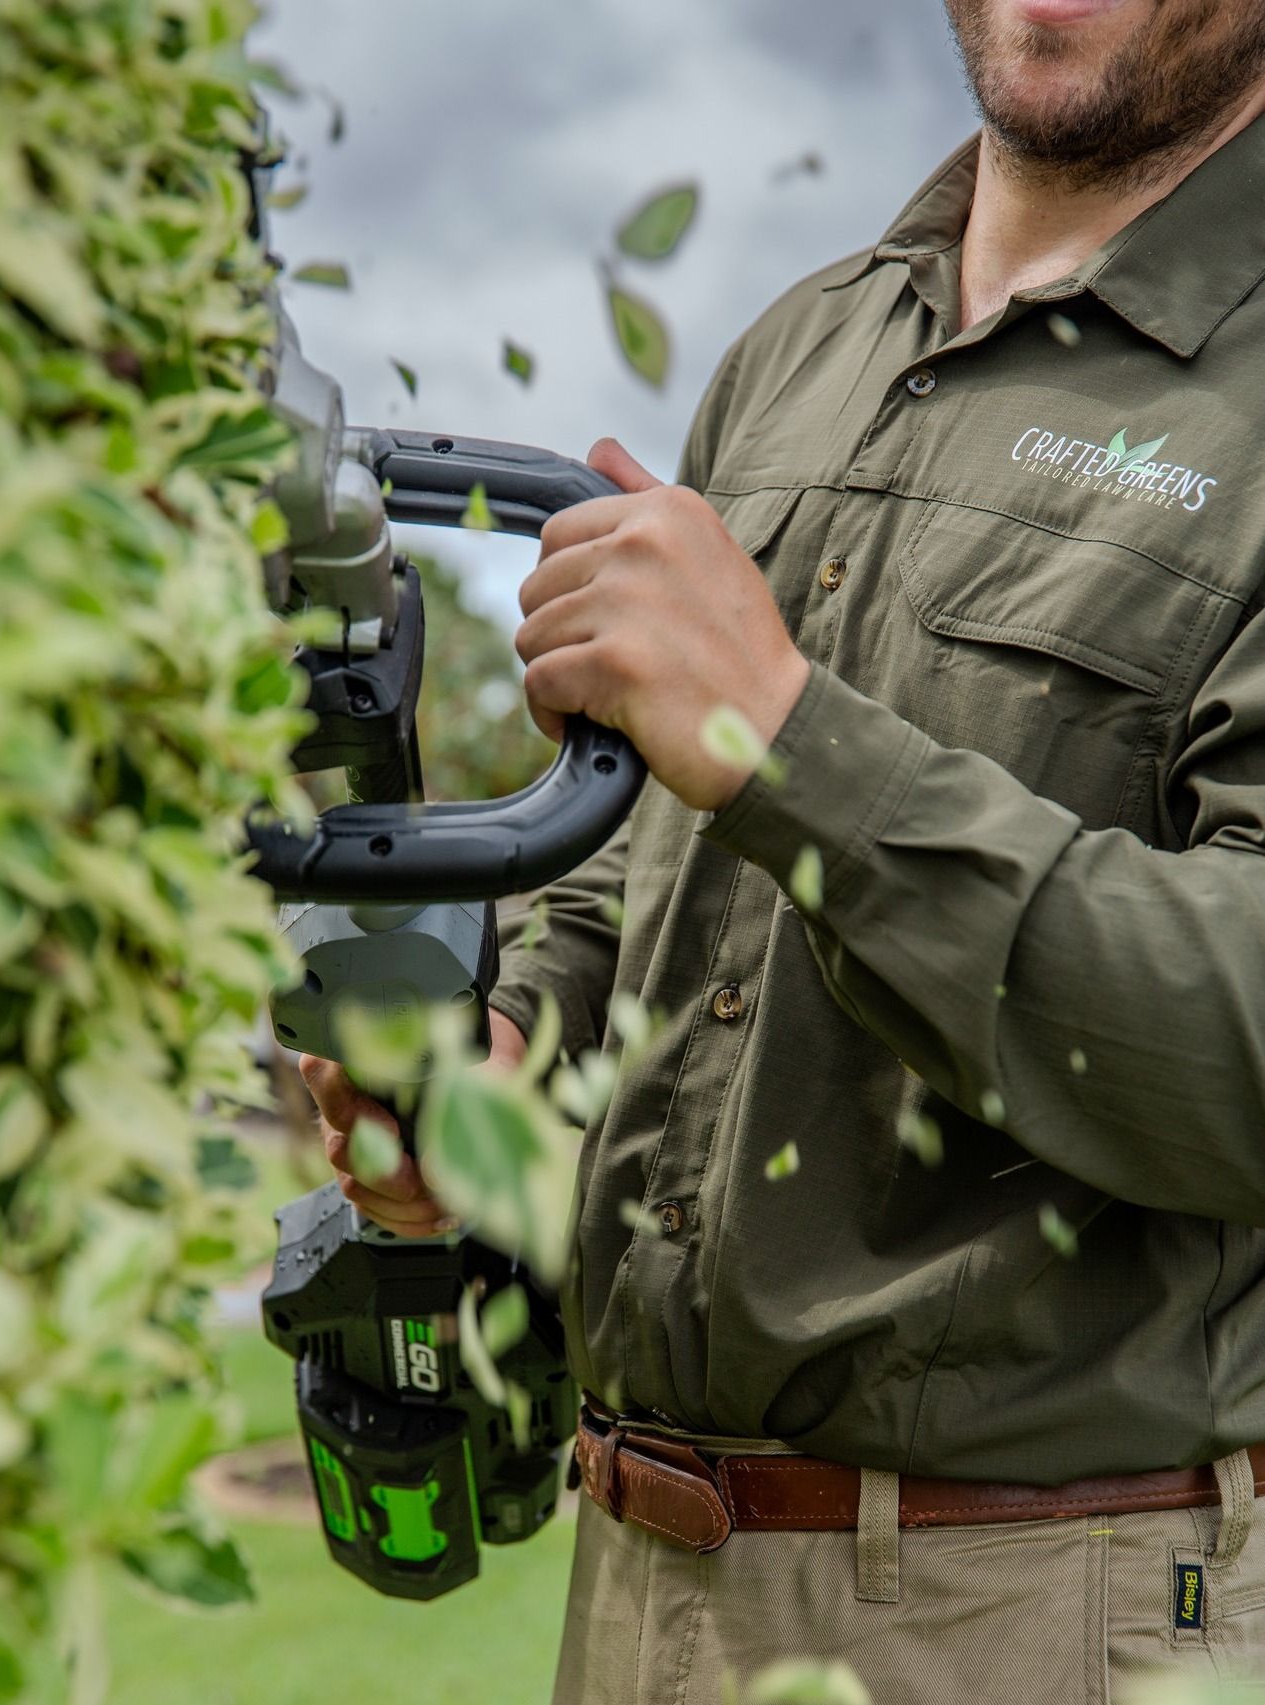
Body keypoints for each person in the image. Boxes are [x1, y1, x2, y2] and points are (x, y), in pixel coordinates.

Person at [302, 0, 1265, 1696]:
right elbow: (655, 860)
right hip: (641, 1578)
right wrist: (511, 1052)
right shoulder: (795, 352)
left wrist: (784, 734)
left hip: (1044, 1608)